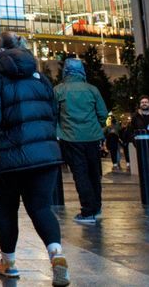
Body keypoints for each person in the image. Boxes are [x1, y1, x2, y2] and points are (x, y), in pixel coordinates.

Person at [0, 32, 69, 286]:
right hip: (43, 155)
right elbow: (52, 114)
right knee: (41, 208)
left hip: (7, 157)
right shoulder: (40, 78)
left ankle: (9, 263)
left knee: (6, 208)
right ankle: (56, 254)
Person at [53, 58, 108, 224]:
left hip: (70, 138)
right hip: (92, 137)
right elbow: (103, 114)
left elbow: (53, 115)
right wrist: (95, 128)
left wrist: (59, 132)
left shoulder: (59, 90)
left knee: (81, 174)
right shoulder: (92, 90)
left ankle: (87, 211)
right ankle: (96, 207)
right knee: (94, 173)